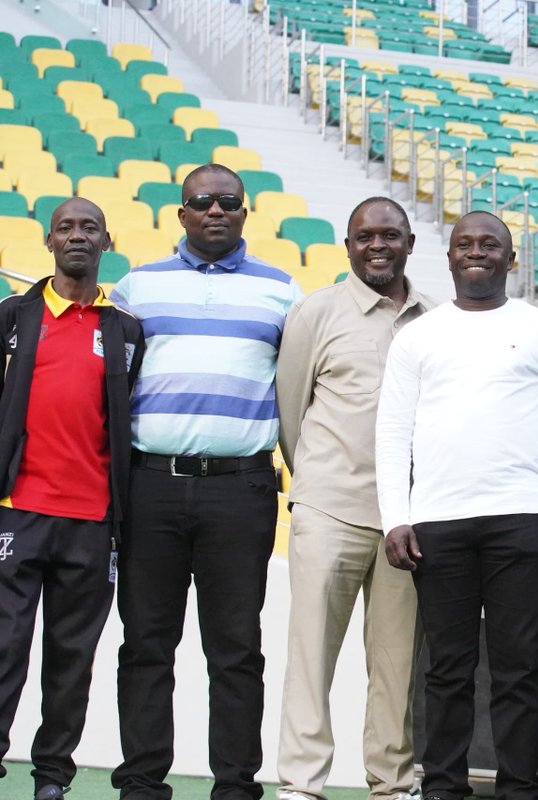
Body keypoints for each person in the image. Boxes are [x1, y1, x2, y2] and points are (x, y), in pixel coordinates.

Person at [375, 211, 538, 800]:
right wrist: (395, 516)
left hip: (521, 521)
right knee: (446, 670)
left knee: (519, 670)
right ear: (447, 258)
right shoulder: (418, 334)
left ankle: (519, 789)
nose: (476, 252)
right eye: (464, 244)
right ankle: (443, 787)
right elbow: (392, 431)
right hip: (436, 523)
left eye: (489, 244)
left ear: (511, 259)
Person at [110, 164, 303, 800]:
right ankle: (141, 783)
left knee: (237, 650)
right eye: (202, 201)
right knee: (145, 645)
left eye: (228, 202)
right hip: (150, 487)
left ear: (245, 212)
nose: (215, 210)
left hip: (240, 490)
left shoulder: (281, 291)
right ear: (181, 213)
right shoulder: (138, 287)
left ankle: (236, 788)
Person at [274, 197, 430, 800]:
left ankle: (391, 785)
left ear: (410, 243)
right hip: (328, 508)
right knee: (311, 655)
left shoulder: (434, 321)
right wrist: (315, 482)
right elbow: (292, 412)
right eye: (364, 236)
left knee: (395, 665)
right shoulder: (315, 313)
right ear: (347, 245)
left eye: (390, 235)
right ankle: (301, 783)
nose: (377, 246)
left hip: (405, 524)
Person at [0, 198, 143, 800]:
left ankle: (53, 775)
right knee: (4, 646)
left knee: (71, 658)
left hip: (92, 520)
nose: (77, 236)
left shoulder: (125, 329)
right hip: (18, 511)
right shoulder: (12, 317)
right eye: (66, 228)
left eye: (89, 228)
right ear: (48, 241)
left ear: (107, 240)